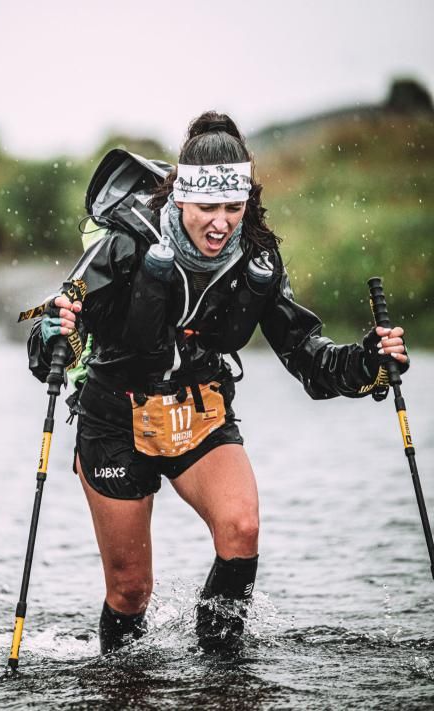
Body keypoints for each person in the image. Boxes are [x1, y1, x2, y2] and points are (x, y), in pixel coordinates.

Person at [25, 112, 408, 655]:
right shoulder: (126, 245)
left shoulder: (258, 256)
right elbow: (56, 337)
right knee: (132, 590)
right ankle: (121, 684)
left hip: (199, 412)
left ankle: (223, 671)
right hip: (113, 418)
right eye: (208, 207)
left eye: (233, 208)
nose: (221, 223)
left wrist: (369, 361)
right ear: (180, 198)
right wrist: (53, 334)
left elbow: (306, 354)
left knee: (242, 528)